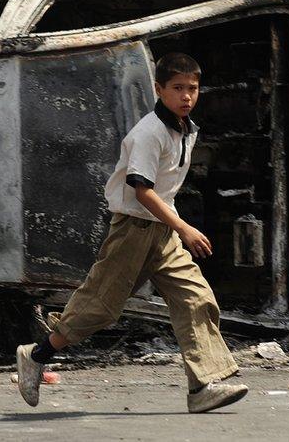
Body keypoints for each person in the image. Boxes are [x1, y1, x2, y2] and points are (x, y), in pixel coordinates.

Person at [16, 52, 248, 414]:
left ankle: (203, 385)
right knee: (100, 308)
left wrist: (174, 228)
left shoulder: (186, 130)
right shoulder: (149, 133)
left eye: (193, 89)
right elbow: (142, 189)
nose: (186, 96)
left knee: (196, 298)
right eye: (177, 89)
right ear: (159, 89)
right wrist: (184, 227)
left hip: (162, 232)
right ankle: (36, 354)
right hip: (134, 230)